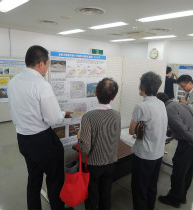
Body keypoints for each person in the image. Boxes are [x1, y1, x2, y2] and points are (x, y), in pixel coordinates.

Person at [8, 45, 73, 210]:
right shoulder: (41, 85)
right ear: (41, 64)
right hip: (41, 140)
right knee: (55, 177)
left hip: (23, 138)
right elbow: (53, 118)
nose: (48, 67)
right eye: (48, 64)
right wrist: (62, 113)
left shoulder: (13, 82)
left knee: (34, 178)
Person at [156, 93, 193, 208]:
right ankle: (182, 196)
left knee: (179, 171)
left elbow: (182, 128)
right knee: (188, 172)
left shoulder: (169, 110)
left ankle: (174, 199)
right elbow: (184, 124)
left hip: (189, 143)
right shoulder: (178, 104)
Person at [78, 78, 121, 210]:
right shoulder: (117, 115)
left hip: (93, 165)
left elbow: (85, 148)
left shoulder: (88, 117)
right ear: (113, 98)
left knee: (92, 195)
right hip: (110, 162)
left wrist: (80, 137)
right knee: (105, 194)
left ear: (95, 93)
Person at [129, 72, 168, 210]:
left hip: (144, 155)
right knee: (151, 186)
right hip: (158, 153)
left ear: (143, 87)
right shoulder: (161, 103)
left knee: (139, 189)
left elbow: (131, 131)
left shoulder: (141, 106)